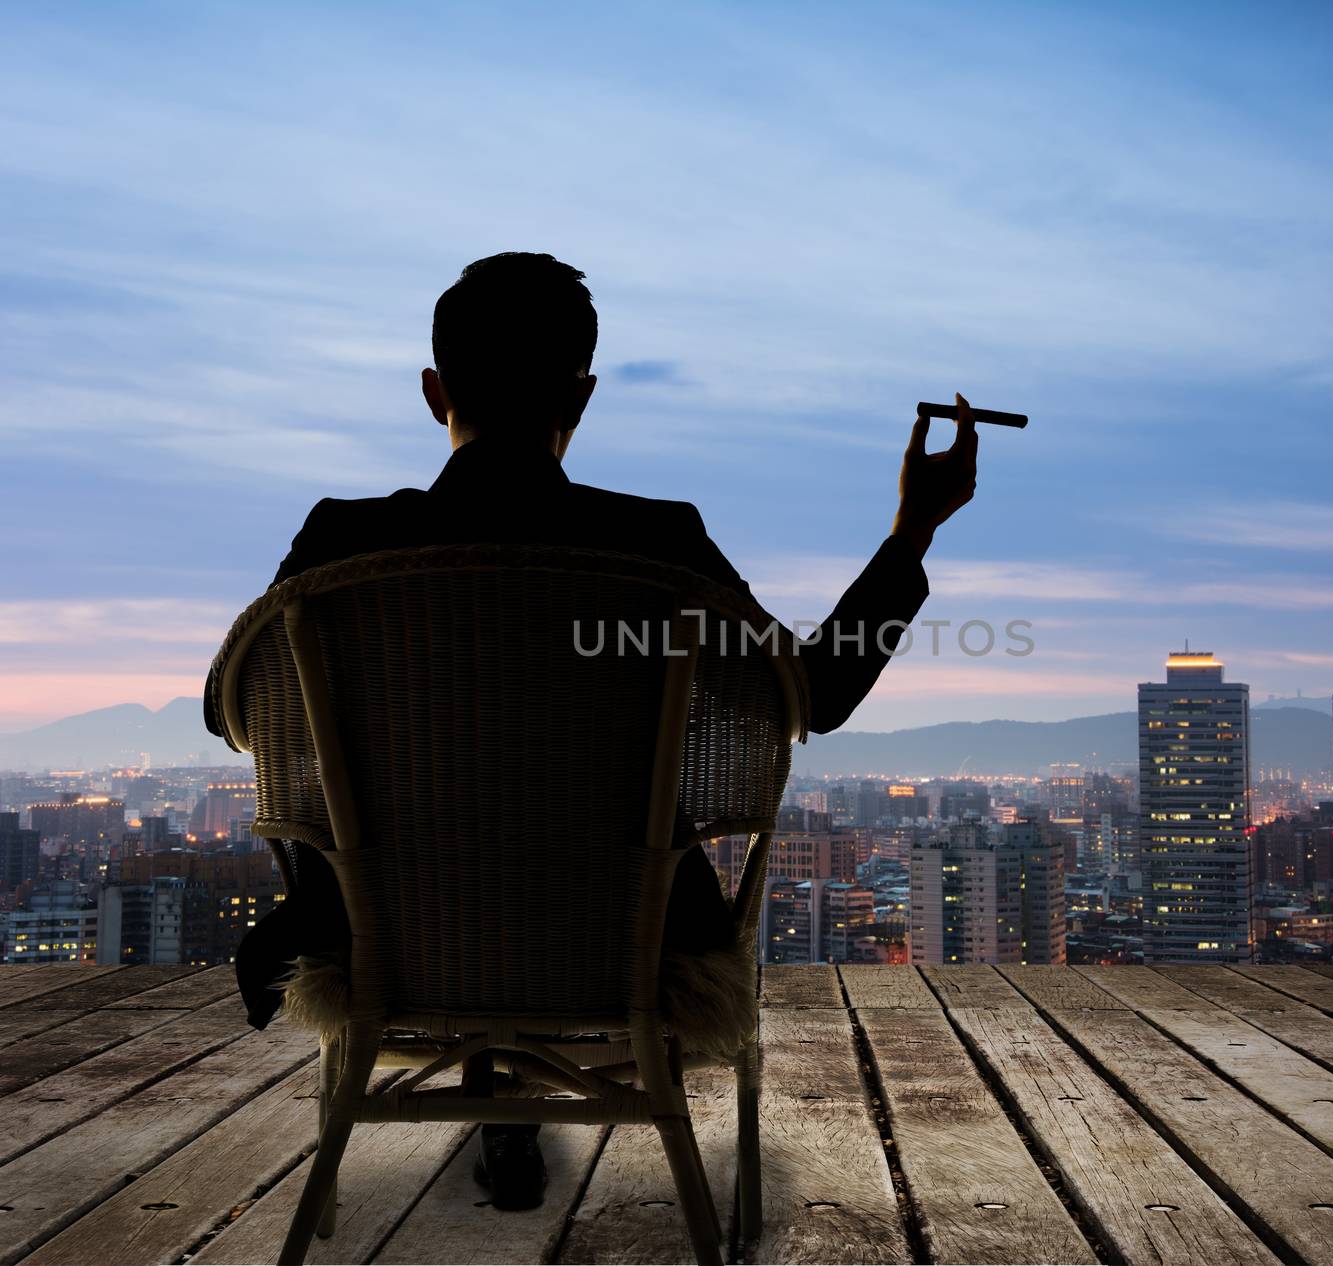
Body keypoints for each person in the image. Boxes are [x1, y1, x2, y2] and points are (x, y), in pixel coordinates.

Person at [205, 251, 980, 1209]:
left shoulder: (340, 542)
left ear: (433, 389)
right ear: (584, 393)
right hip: (632, 937)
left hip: (382, 938)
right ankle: (529, 1110)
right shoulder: (658, 545)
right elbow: (814, 695)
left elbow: (233, 713)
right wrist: (913, 531)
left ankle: (499, 1106)